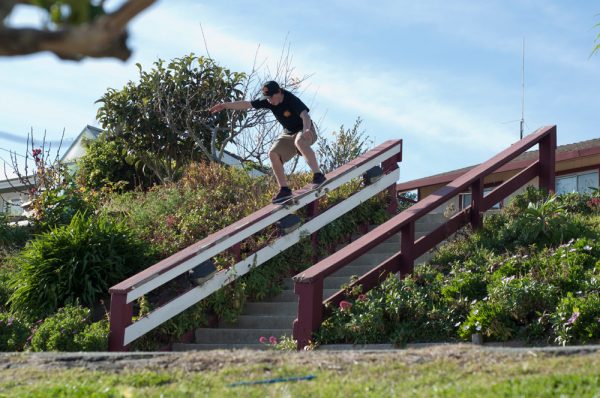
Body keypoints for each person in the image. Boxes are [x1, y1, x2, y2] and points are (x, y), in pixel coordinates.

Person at [209, 80, 326, 203]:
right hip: (288, 133)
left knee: (300, 142)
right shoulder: (268, 102)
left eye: (271, 97)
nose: (269, 100)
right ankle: (284, 189)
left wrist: (307, 129)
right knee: (273, 153)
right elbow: (247, 104)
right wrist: (225, 105)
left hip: (306, 129)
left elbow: (305, 115)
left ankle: (318, 175)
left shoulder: (291, 99)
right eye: (267, 98)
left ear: (279, 92)